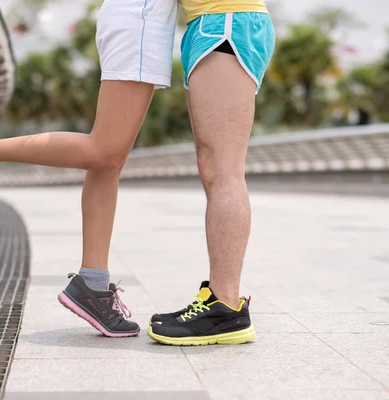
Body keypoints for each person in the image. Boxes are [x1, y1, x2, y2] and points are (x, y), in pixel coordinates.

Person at [0, 0, 178, 338]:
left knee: (109, 158)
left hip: (142, 19)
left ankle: (93, 283)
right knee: (106, 150)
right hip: (140, 18)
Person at [146, 2, 275, 345]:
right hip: (214, 24)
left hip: (224, 23)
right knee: (214, 169)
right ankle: (220, 300)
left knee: (224, 171)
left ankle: (226, 307)